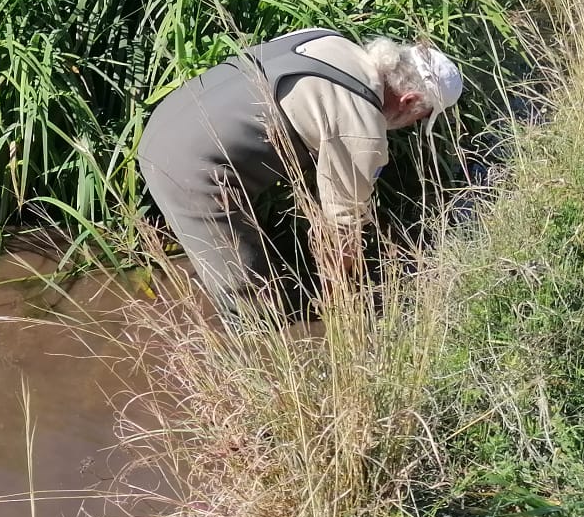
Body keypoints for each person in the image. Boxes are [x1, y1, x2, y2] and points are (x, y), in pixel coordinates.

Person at [137, 27, 463, 308]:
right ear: (408, 101)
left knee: (229, 253)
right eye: (420, 117)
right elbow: (341, 233)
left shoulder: (328, 41)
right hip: (188, 166)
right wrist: (339, 298)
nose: (411, 125)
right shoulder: (362, 126)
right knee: (256, 304)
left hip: (166, 118)